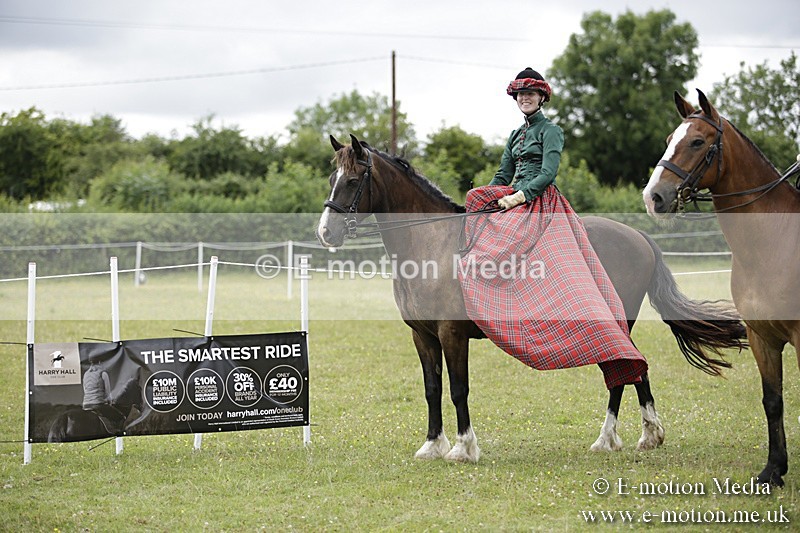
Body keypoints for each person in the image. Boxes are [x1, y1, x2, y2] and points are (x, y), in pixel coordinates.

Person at [490, 67, 565, 210]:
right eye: (521, 94)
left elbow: (548, 173)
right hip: (513, 195)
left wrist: (520, 196)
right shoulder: (515, 134)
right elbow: (503, 175)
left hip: (540, 197)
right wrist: (486, 193)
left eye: (530, 93)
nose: (524, 98)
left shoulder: (551, 130)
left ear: (541, 97)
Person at [82, 354, 124, 434]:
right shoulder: (103, 373)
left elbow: (85, 390)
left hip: (86, 405)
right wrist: (110, 401)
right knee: (120, 417)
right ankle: (115, 433)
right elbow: (108, 392)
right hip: (98, 404)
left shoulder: (86, 374)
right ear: (100, 362)